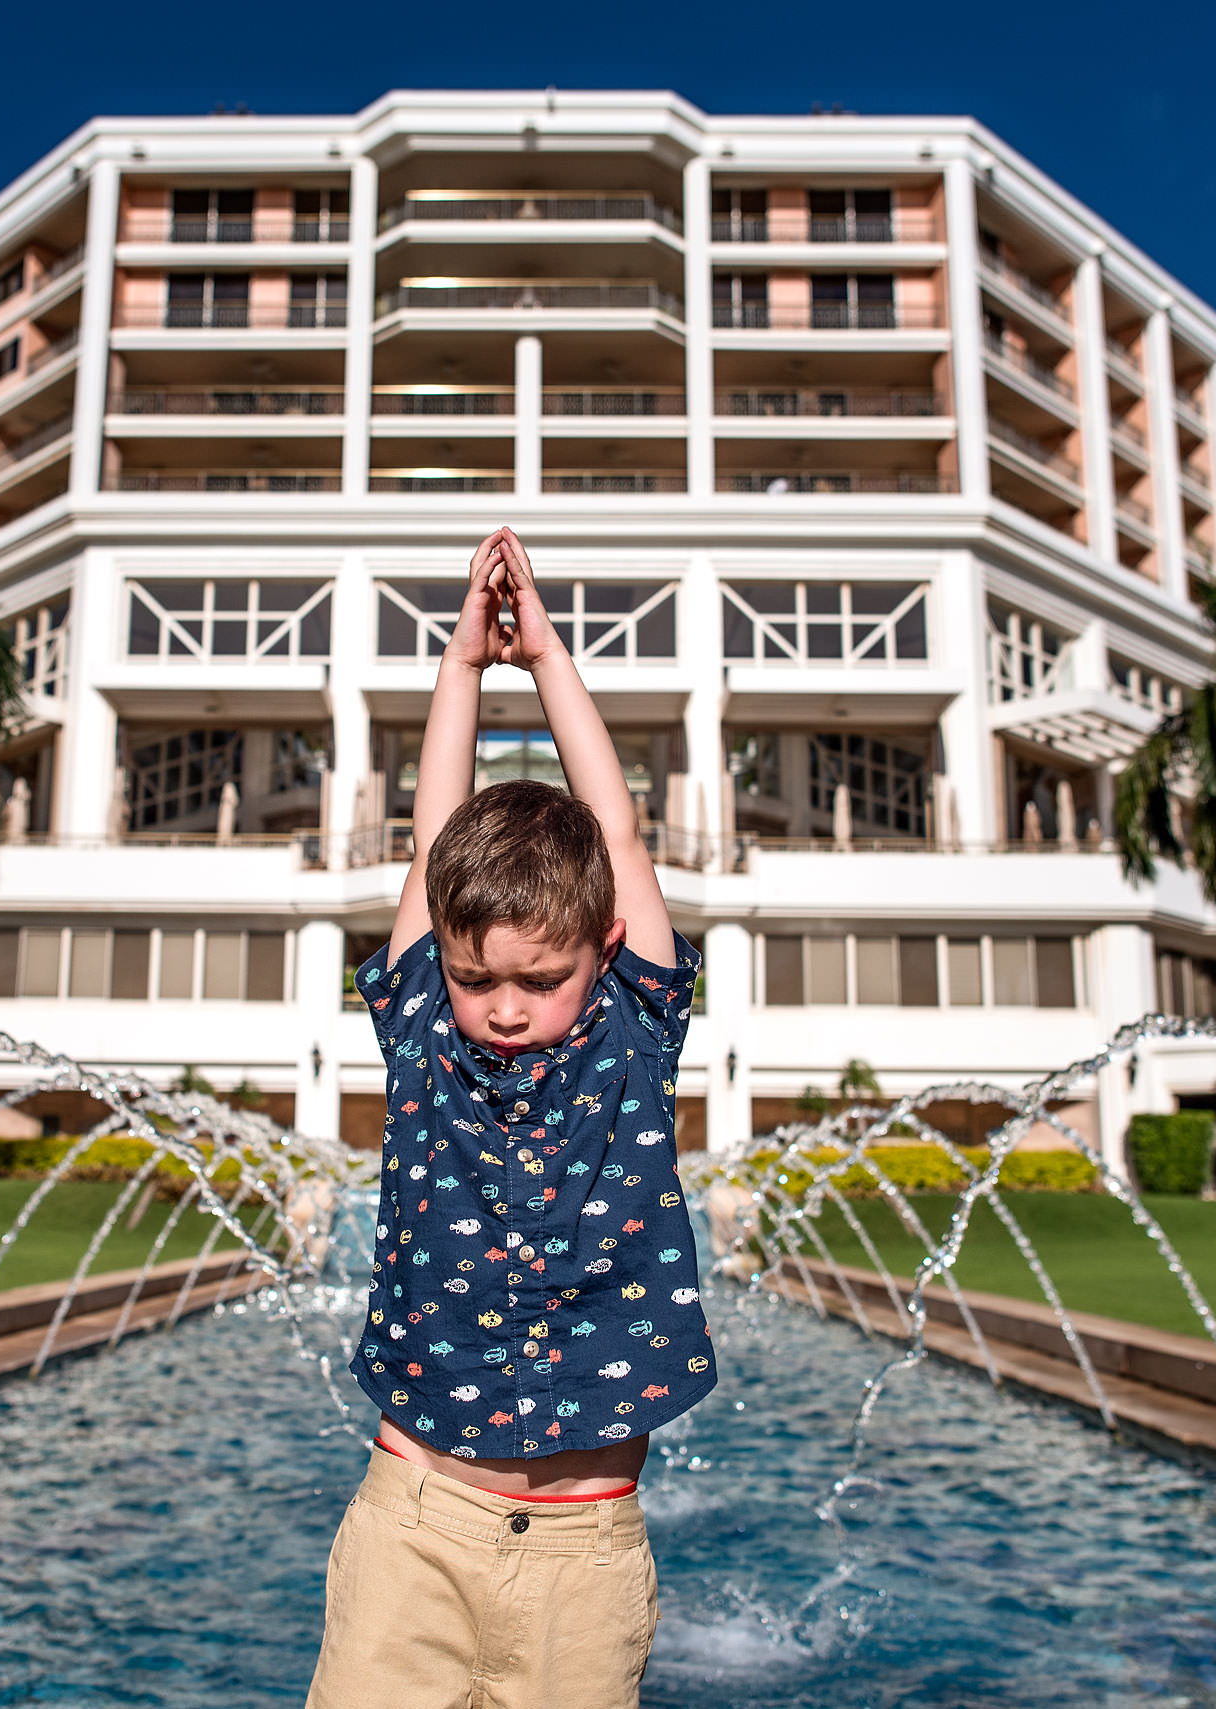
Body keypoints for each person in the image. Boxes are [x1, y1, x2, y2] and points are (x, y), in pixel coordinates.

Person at [307, 528, 710, 1709]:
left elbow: (617, 836)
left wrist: (545, 660)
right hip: (413, 1526)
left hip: (584, 1554)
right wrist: (459, 670)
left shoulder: (634, 1033)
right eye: (481, 978)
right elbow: (436, 841)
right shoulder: (426, 1029)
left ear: (605, 951)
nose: (506, 1007)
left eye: (540, 980)